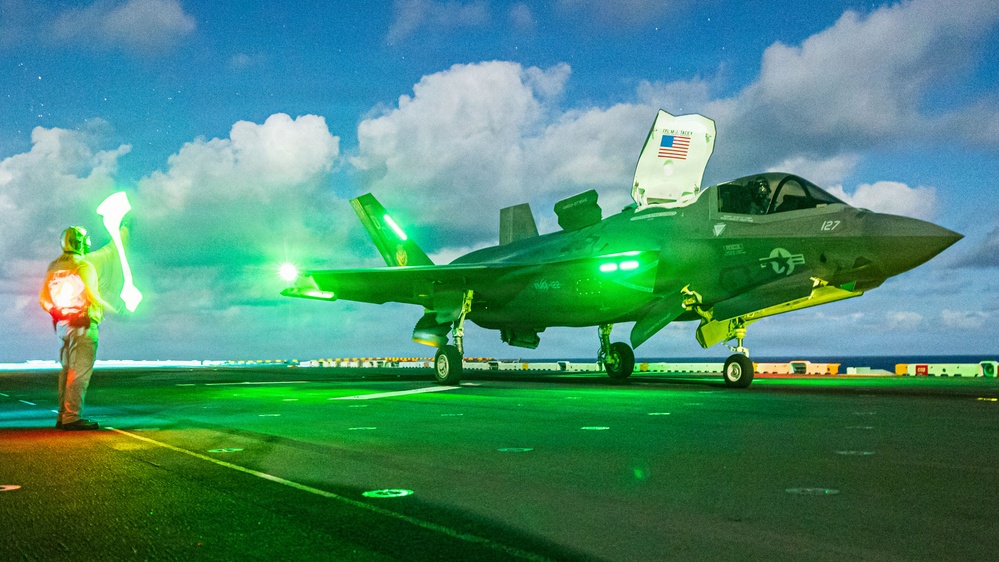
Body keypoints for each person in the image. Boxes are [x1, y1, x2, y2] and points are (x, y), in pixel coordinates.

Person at [38, 224, 128, 430]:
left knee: (66, 371)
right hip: (83, 326)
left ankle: (63, 416)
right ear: (79, 242)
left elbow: (43, 300)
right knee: (79, 373)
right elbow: (93, 297)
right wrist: (118, 311)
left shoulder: (53, 266)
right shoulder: (84, 265)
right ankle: (72, 417)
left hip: (63, 326)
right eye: (86, 240)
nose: (88, 243)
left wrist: (59, 312)